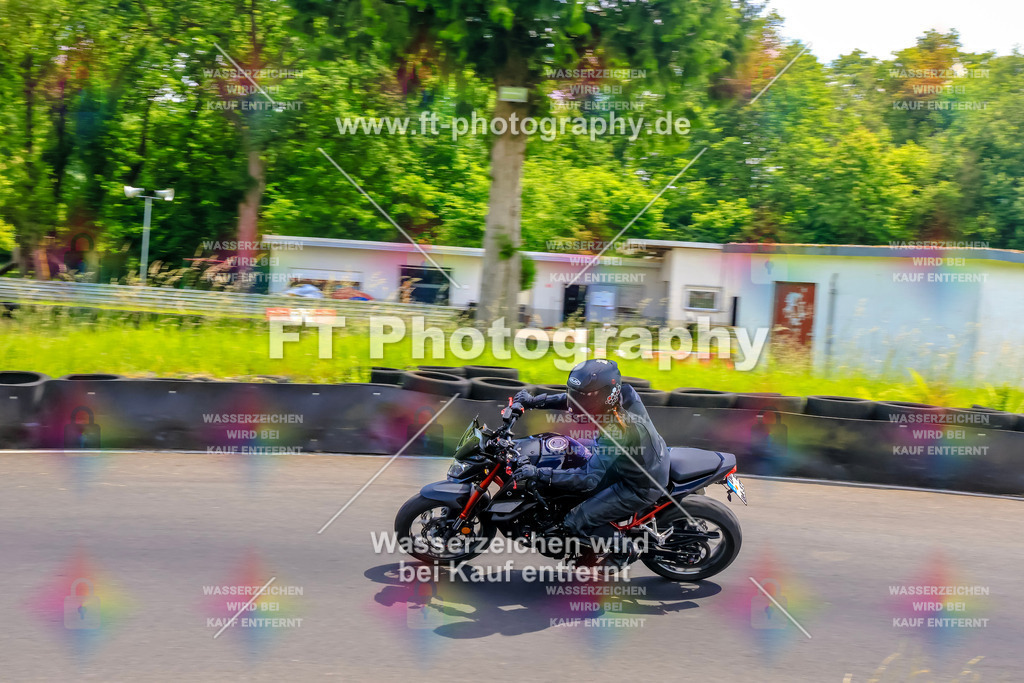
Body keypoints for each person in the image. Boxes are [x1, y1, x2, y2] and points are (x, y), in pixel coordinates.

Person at [511, 359, 670, 563]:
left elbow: (589, 479)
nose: (576, 401)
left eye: (585, 396)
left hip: (638, 485)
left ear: (604, 395)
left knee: (573, 520)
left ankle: (625, 550)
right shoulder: (622, 394)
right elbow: (572, 402)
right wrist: (534, 401)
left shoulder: (617, 430)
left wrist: (539, 473)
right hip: (637, 460)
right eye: (576, 394)